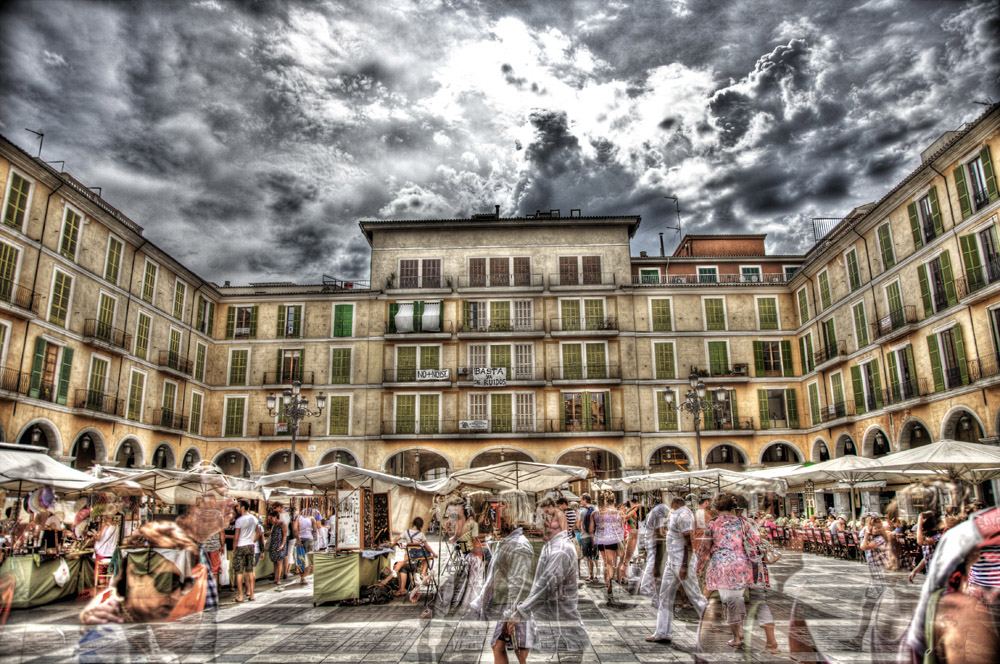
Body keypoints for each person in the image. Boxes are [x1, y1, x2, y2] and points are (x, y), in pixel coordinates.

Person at [470, 502, 535, 664]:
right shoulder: (510, 542)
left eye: (504, 513)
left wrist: (515, 613)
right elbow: (498, 574)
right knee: (498, 645)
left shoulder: (519, 545)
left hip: (515, 607)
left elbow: (521, 583)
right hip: (509, 606)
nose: (498, 519)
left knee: (518, 652)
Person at [513, 518, 587, 656]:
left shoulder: (560, 550)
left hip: (568, 635)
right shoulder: (553, 546)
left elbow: (546, 587)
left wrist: (521, 612)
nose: (539, 526)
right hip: (563, 631)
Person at [698, 493, 757, 648]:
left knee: (729, 602)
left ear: (716, 507)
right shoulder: (742, 522)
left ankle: (736, 637)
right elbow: (755, 540)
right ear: (732, 507)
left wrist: (699, 566)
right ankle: (740, 629)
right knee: (738, 599)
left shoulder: (713, 524)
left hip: (722, 567)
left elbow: (704, 548)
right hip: (741, 566)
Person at [648, 496, 708, 645]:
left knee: (695, 595)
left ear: (674, 503)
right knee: (665, 595)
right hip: (672, 560)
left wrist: (684, 565)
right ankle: (663, 632)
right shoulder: (676, 513)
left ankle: (711, 623)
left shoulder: (684, 515)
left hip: (681, 560)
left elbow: (688, 542)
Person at [593, 491, 625, 603]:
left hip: (606, 539)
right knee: (617, 562)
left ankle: (609, 584)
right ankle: (617, 582)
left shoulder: (601, 513)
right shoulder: (619, 512)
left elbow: (598, 526)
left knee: (608, 563)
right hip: (618, 539)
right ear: (614, 501)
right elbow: (622, 526)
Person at [639, 494, 670, 608]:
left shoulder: (656, 511)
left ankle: (648, 588)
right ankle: (646, 588)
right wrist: (668, 535)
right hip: (653, 541)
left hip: (649, 539)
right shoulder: (661, 512)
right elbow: (660, 531)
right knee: (652, 564)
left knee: (652, 564)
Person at [232, 500, 257, 602]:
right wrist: (252, 540)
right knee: (250, 571)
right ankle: (252, 594)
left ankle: (240, 596)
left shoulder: (239, 520)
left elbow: (236, 537)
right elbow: (259, 533)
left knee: (239, 572)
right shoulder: (254, 518)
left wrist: (234, 549)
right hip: (250, 546)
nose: (236, 508)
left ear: (243, 507)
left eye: (238, 506)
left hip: (240, 546)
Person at [908, 511, 942, 584]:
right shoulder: (930, 537)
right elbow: (927, 557)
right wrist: (915, 570)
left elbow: (920, 542)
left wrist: (920, 520)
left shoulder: (938, 537)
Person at [577, 493, 599, 582]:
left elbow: (579, 524)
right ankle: (597, 574)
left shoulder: (582, 511)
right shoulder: (596, 510)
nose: (581, 502)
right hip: (595, 536)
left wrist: (582, 530)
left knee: (587, 556)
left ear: (585, 500)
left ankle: (590, 574)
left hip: (585, 536)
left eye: (581, 500)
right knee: (595, 556)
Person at [293, 507, 317, 585]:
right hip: (309, 539)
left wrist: (298, 539)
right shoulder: (312, 518)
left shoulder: (298, 518)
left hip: (300, 539)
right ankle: (304, 577)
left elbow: (295, 529)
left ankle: (302, 576)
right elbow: (315, 530)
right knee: (308, 559)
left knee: (300, 558)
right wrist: (315, 540)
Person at [267, 509, 287, 585]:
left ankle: (278, 578)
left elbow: (284, 535)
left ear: (275, 517)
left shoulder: (282, 524)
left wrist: (282, 545)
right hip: (274, 544)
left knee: (279, 562)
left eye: (271, 518)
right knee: (275, 561)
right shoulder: (273, 525)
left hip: (279, 544)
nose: (271, 520)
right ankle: (275, 578)